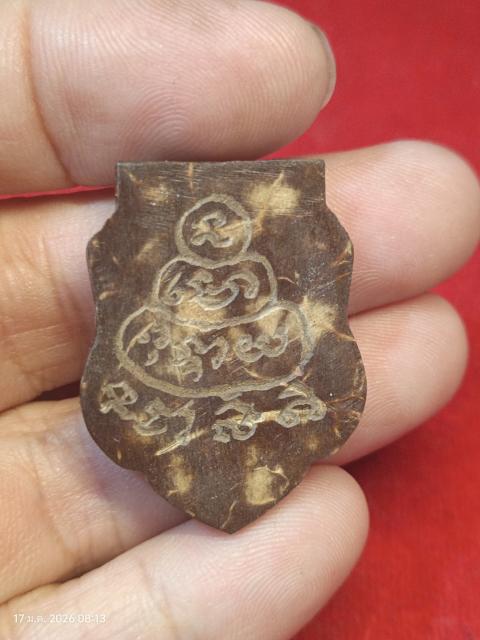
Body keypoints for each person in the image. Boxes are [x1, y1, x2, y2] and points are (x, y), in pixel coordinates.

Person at [0, 1, 478, 638]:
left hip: (243, 340)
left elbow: (260, 298)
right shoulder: (171, 268)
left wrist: (242, 307)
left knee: (268, 338)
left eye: (223, 232)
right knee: (167, 346)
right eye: (205, 233)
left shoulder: (256, 266)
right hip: (188, 345)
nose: (214, 242)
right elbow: (164, 300)